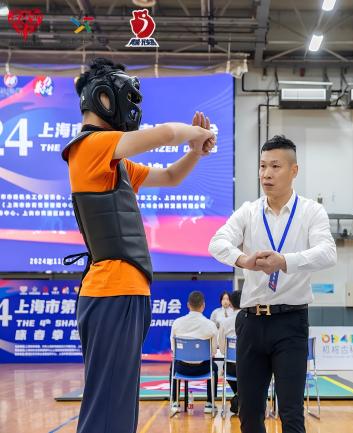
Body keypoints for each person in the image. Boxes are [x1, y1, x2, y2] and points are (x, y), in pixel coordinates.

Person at [61, 58, 216, 433]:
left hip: (124, 291)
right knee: (108, 409)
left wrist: (196, 150)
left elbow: (172, 176)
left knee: (116, 406)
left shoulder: (114, 163)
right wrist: (198, 134)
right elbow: (166, 134)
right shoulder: (91, 146)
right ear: (103, 98)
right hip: (112, 291)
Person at [209, 135, 337, 433]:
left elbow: (328, 253)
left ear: (294, 170)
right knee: (249, 413)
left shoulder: (311, 212)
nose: (266, 173)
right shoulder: (248, 211)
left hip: (290, 322)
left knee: (291, 413)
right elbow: (217, 242)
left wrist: (285, 261)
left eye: (275, 166)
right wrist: (243, 259)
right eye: (262, 166)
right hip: (251, 322)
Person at [170, 291, 219, 413]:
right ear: (203, 305)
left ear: (188, 305)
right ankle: (210, 403)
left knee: (173, 366)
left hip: (182, 369)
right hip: (204, 369)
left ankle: (175, 402)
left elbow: (174, 349)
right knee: (214, 367)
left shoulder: (177, 323)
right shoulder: (210, 325)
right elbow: (213, 351)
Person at [218, 289, 242, 414]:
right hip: (252, 366)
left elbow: (222, 350)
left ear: (231, 304)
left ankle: (239, 397)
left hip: (232, 367)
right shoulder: (254, 320)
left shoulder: (225, 322)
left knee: (226, 367)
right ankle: (241, 397)